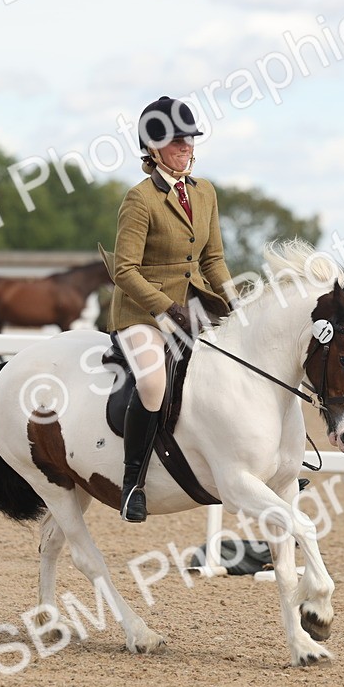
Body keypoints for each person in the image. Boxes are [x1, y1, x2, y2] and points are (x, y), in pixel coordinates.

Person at [103, 96, 234, 523]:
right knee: (155, 384)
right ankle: (132, 484)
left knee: (239, 366)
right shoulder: (140, 199)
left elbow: (212, 260)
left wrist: (236, 304)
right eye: (176, 140)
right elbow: (124, 270)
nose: (186, 146)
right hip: (142, 312)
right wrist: (165, 309)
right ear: (154, 147)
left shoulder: (206, 192)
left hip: (194, 304)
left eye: (189, 139)